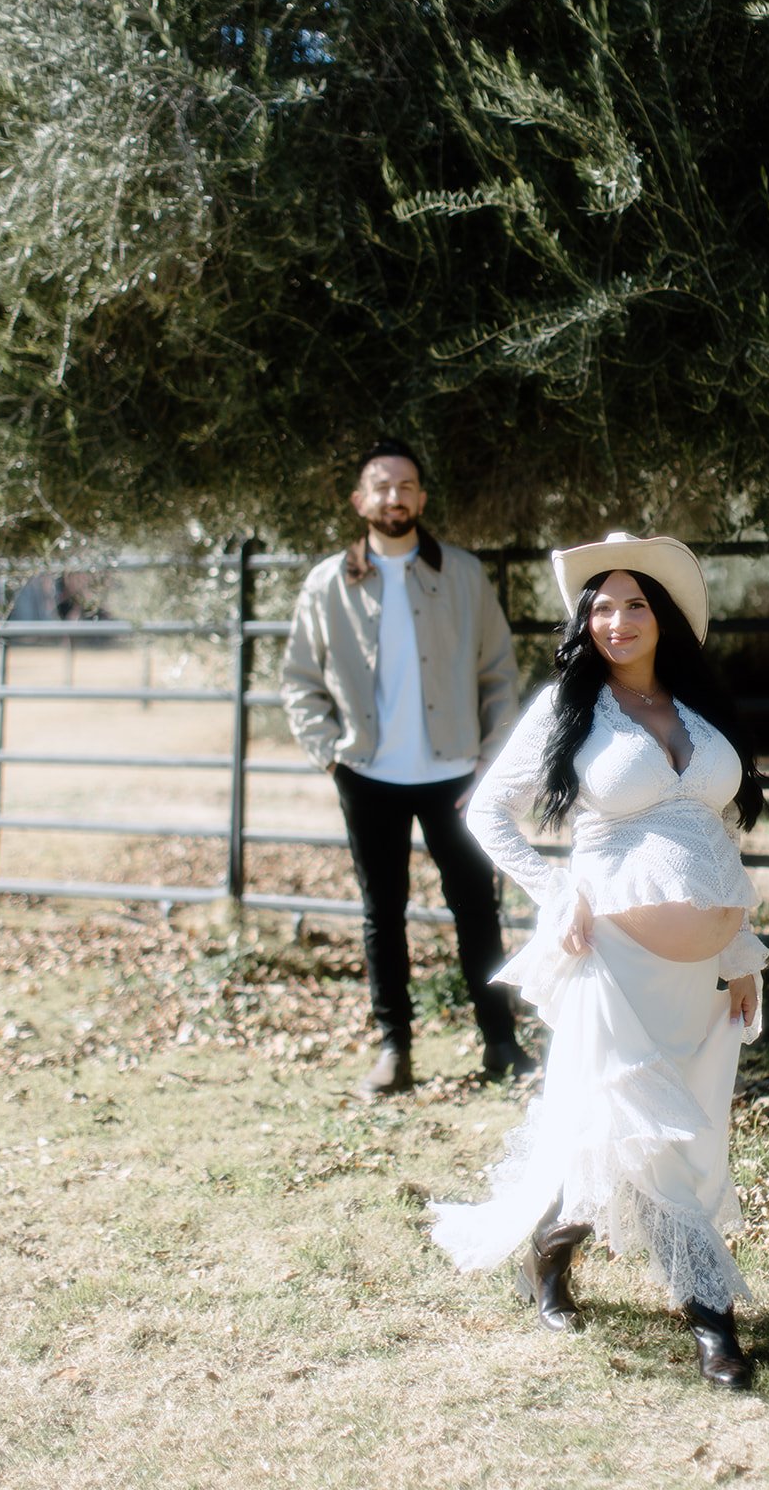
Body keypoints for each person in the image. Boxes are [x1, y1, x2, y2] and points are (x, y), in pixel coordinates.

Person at [430, 531, 768, 1390]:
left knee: (663, 1136)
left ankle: (547, 1250)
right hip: (611, 963)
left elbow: (714, 838)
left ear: (663, 617)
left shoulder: (699, 711)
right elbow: (486, 814)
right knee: (643, 1135)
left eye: (633, 604)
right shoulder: (567, 709)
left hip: (698, 976)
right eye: (600, 606)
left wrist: (736, 948)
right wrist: (555, 891)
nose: (615, 620)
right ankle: (711, 1319)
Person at [281, 438, 535, 1093]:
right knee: (381, 913)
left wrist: (488, 761)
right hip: (366, 776)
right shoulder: (326, 584)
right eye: (380, 485)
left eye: (405, 485)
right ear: (359, 500)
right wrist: (330, 758)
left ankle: (501, 1045)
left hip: (456, 776)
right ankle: (395, 1051)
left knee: (476, 908)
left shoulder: (463, 575)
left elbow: (498, 674)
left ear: (421, 499)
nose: (393, 496)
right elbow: (299, 680)